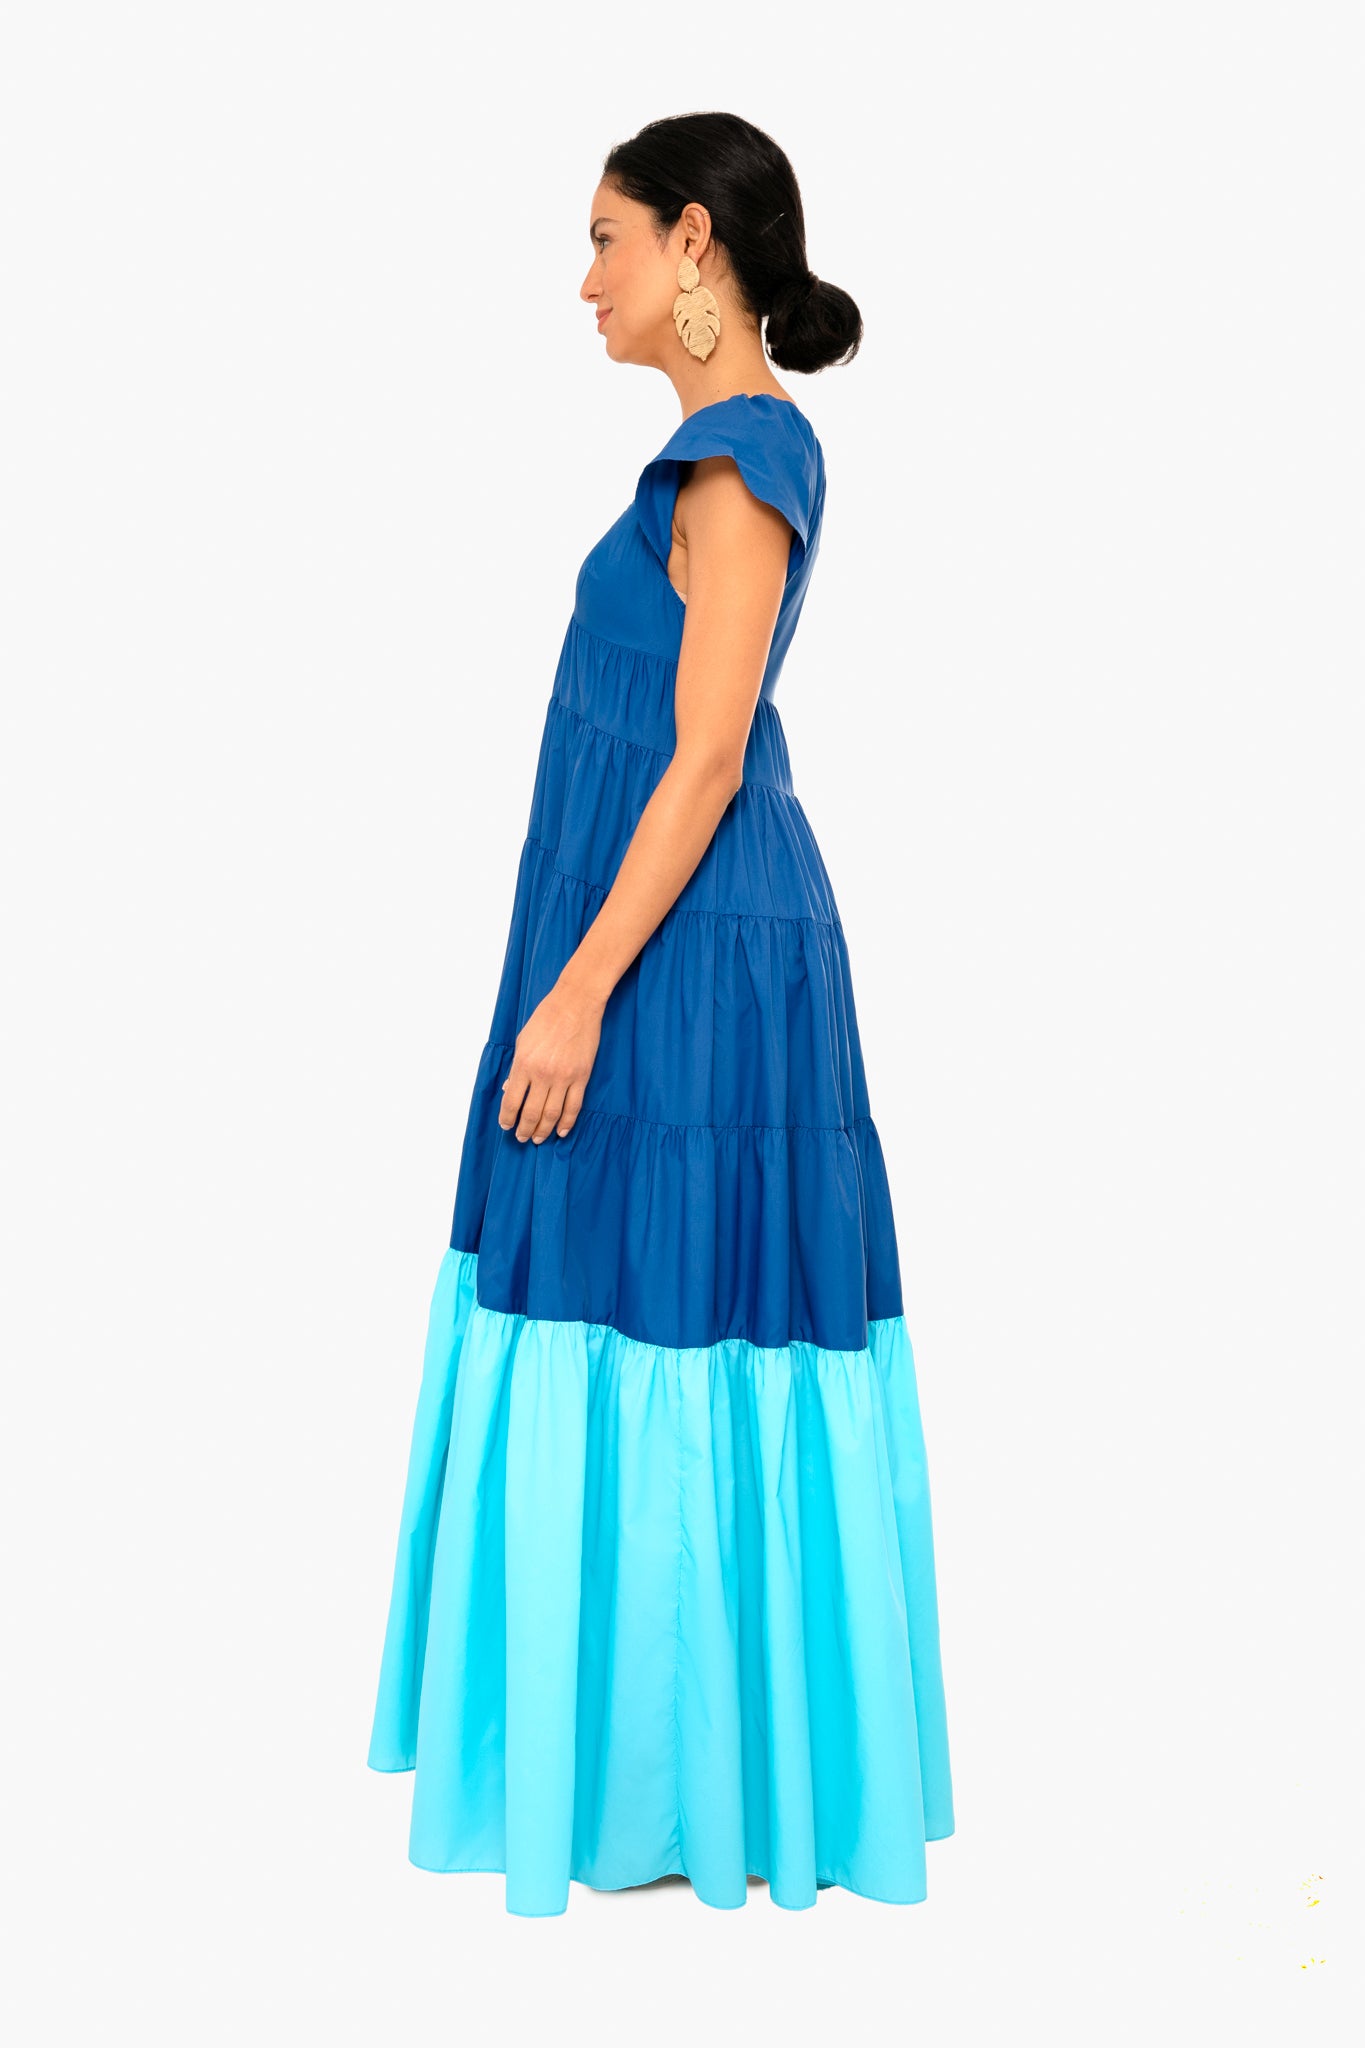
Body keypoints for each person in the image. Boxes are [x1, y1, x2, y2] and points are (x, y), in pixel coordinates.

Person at [367, 111, 955, 1918]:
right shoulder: (724, 455)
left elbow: (704, 760)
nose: (586, 280)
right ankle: (660, 1776)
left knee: (670, 1301)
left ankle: (674, 1788)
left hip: (684, 958)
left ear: (694, 242)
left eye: (607, 239)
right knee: (635, 1294)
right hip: (653, 935)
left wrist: (572, 994)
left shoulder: (738, 461)